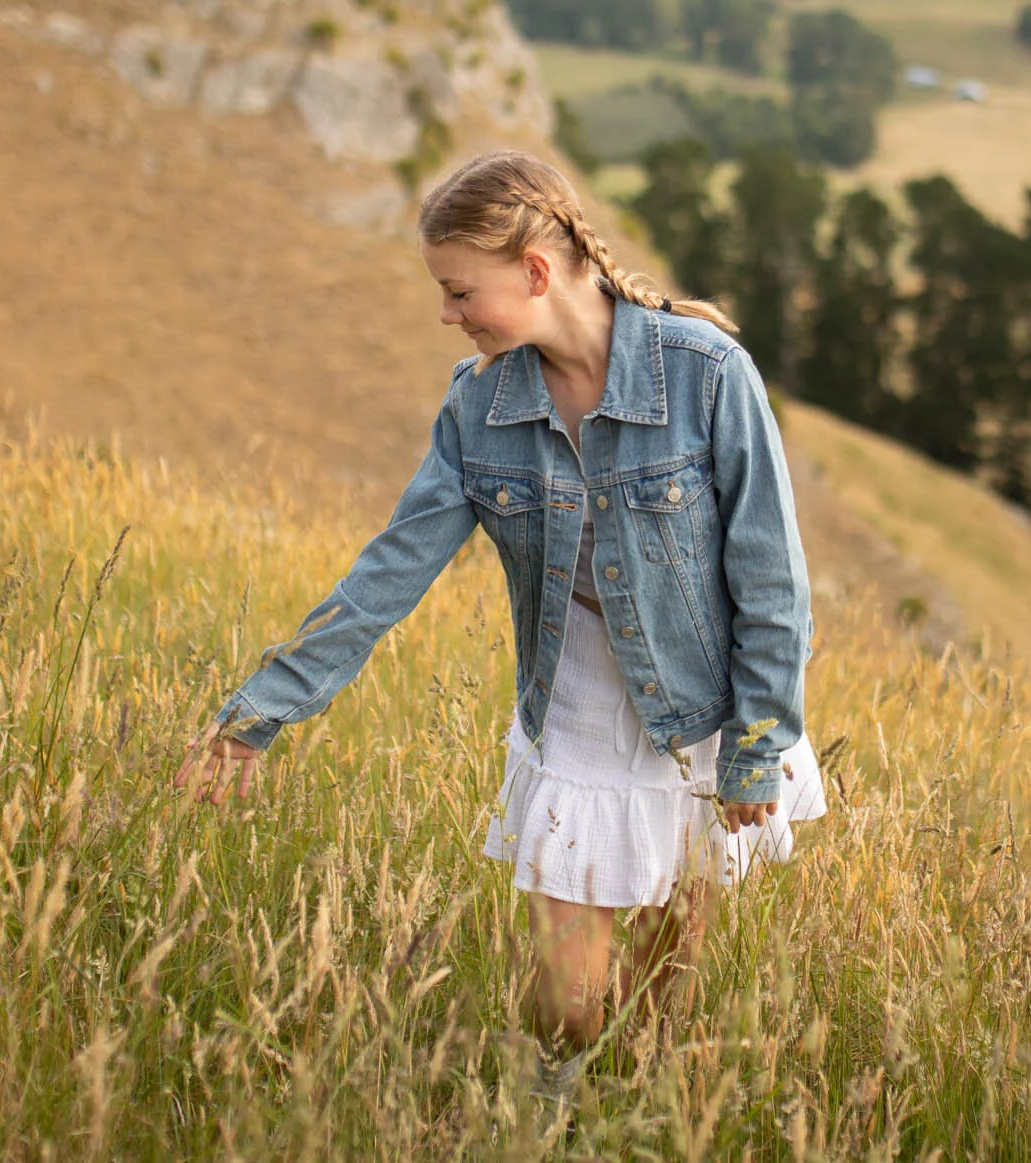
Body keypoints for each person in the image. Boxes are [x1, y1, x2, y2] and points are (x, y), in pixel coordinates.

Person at [173, 148, 827, 1110]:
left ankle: (627, 1127)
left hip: (705, 717)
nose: (448, 314)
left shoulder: (707, 374)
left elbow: (772, 582)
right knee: (571, 1000)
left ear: (532, 270)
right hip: (575, 708)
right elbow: (389, 572)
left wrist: (757, 747)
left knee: (658, 1001)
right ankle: (541, 1116)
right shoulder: (480, 408)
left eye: (457, 290)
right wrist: (258, 714)